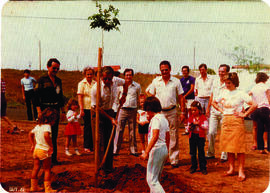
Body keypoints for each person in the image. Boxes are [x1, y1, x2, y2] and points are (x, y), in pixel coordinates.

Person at [212, 72, 257, 182]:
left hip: (237, 121)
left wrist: (245, 114)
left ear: (234, 83)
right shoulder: (223, 92)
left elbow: (254, 104)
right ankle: (231, 169)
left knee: (239, 148)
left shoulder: (241, 93)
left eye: (229, 83)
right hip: (226, 121)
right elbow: (213, 102)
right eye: (226, 82)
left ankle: (241, 171)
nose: (227, 85)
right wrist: (222, 111)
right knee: (229, 147)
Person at [146, 60, 185, 168]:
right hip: (160, 112)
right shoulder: (156, 81)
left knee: (173, 135)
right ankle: (162, 158)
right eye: (162, 70)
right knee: (160, 135)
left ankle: (173, 159)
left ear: (170, 69)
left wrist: (182, 112)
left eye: (166, 70)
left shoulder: (176, 81)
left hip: (172, 111)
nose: (164, 72)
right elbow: (148, 92)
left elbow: (181, 97)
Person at [34, 58, 65, 165]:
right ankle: (44, 159)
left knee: (54, 135)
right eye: (54, 68)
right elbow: (36, 97)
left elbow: (60, 97)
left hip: (55, 110)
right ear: (48, 67)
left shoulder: (59, 81)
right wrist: (39, 111)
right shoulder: (41, 80)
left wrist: (63, 111)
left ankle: (53, 159)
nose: (55, 70)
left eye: (57, 68)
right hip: (45, 110)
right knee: (44, 134)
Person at [91, 66, 118, 173]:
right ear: (101, 77)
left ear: (112, 77)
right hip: (97, 114)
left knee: (109, 141)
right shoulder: (95, 88)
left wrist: (124, 93)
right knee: (99, 142)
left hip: (109, 112)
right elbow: (97, 107)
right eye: (105, 79)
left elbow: (127, 81)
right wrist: (111, 118)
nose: (107, 81)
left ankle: (109, 167)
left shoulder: (115, 82)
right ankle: (100, 169)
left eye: (109, 79)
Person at [140, 96, 170, 193]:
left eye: (147, 111)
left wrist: (146, 152)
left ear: (149, 109)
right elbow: (168, 136)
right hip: (163, 148)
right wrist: (167, 152)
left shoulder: (156, 119)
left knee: (151, 180)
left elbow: (155, 136)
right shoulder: (164, 119)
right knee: (156, 179)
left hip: (157, 149)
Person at [29, 107, 58, 192]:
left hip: (36, 150)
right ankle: (48, 189)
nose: (54, 122)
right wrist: (51, 146)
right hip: (44, 150)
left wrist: (32, 145)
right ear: (51, 119)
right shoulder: (47, 126)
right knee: (47, 169)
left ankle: (33, 187)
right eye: (54, 120)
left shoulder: (38, 126)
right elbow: (46, 135)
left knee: (36, 168)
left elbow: (30, 134)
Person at [113, 68, 141, 156]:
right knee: (119, 129)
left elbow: (138, 97)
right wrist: (116, 109)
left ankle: (133, 150)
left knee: (132, 130)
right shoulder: (120, 86)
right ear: (124, 76)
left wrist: (137, 109)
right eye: (126, 75)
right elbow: (116, 98)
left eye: (130, 75)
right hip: (122, 110)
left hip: (133, 110)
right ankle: (115, 150)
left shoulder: (137, 86)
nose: (128, 77)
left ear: (132, 76)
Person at [205, 64, 230, 162]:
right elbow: (212, 95)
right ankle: (210, 153)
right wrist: (208, 108)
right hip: (214, 111)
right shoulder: (215, 81)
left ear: (227, 72)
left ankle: (224, 154)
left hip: (225, 111)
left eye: (223, 71)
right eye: (219, 71)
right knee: (211, 132)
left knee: (224, 133)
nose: (220, 73)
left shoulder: (229, 83)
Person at [249, 72, 270, 154]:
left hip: (256, 109)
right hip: (265, 108)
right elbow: (269, 99)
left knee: (259, 129)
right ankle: (269, 148)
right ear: (265, 79)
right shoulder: (266, 87)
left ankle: (261, 148)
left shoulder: (254, 88)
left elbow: (249, 95)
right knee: (268, 129)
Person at [186, 101, 208, 175]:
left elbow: (206, 126)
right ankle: (193, 166)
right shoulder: (191, 118)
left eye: (195, 110)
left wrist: (199, 124)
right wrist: (190, 127)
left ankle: (203, 167)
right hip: (192, 136)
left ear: (199, 110)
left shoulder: (203, 117)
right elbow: (187, 128)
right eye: (192, 110)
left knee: (201, 152)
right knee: (193, 152)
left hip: (200, 136)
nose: (193, 112)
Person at [77, 66, 96, 153]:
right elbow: (80, 97)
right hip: (85, 107)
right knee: (87, 127)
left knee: (94, 127)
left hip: (94, 108)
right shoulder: (81, 84)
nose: (89, 76)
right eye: (87, 74)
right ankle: (86, 146)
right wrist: (81, 109)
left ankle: (92, 146)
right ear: (84, 74)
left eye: (91, 74)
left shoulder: (95, 83)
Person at [180, 65, 196, 135]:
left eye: (185, 71)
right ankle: (186, 129)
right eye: (183, 71)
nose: (184, 72)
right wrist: (182, 98)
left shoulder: (192, 79)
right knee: (184, 113)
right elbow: (180, 90)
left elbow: (192, 89)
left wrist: (185, 96)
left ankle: (191, 129)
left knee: (190, 113)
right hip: (183, 99)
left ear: (188, 71)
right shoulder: (181, 80)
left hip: (190, 99)